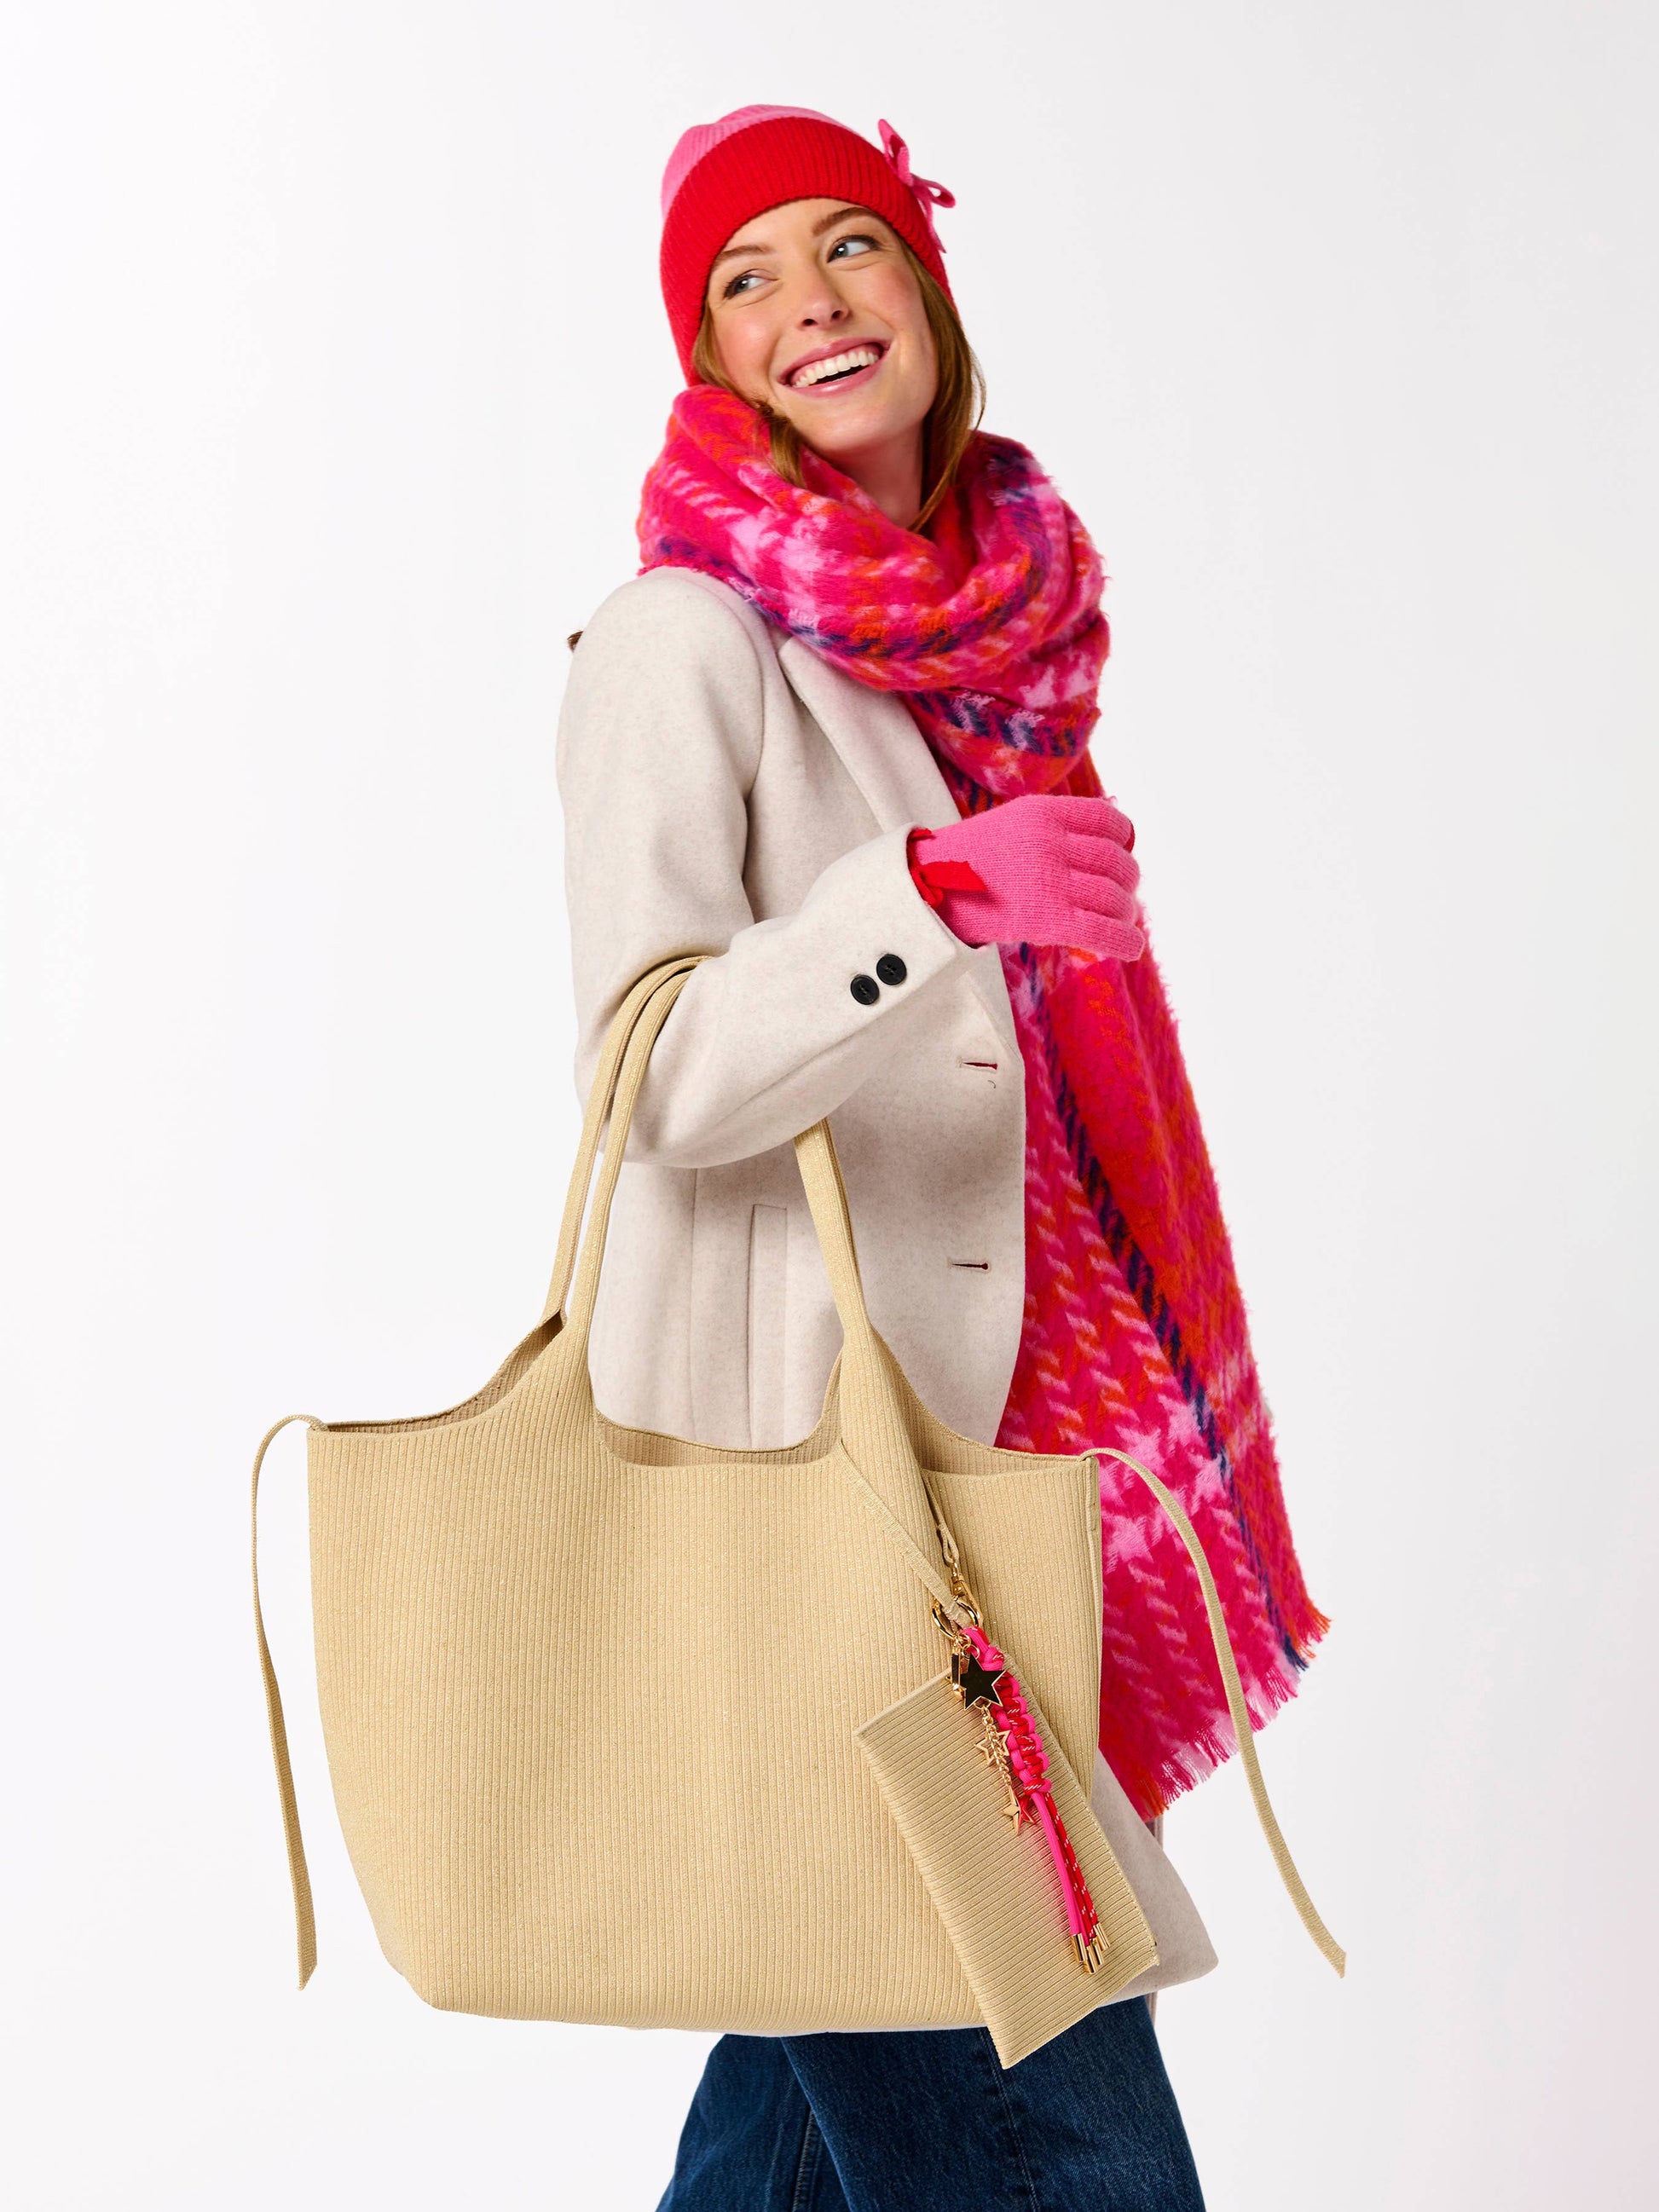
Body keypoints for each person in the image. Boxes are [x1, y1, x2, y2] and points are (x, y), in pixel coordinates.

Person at [556, 104, 1327, 2212]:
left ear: (924, 284)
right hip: (828, 1504)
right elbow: (648, 1077)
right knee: (1063, 2149)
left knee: (800, 2121)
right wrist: (919, 901)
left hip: (995, 1459)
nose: (810, 302)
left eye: (851, 245)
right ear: (710, 354)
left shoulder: (1003, 641)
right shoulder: (679, 641)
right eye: (746, 278)